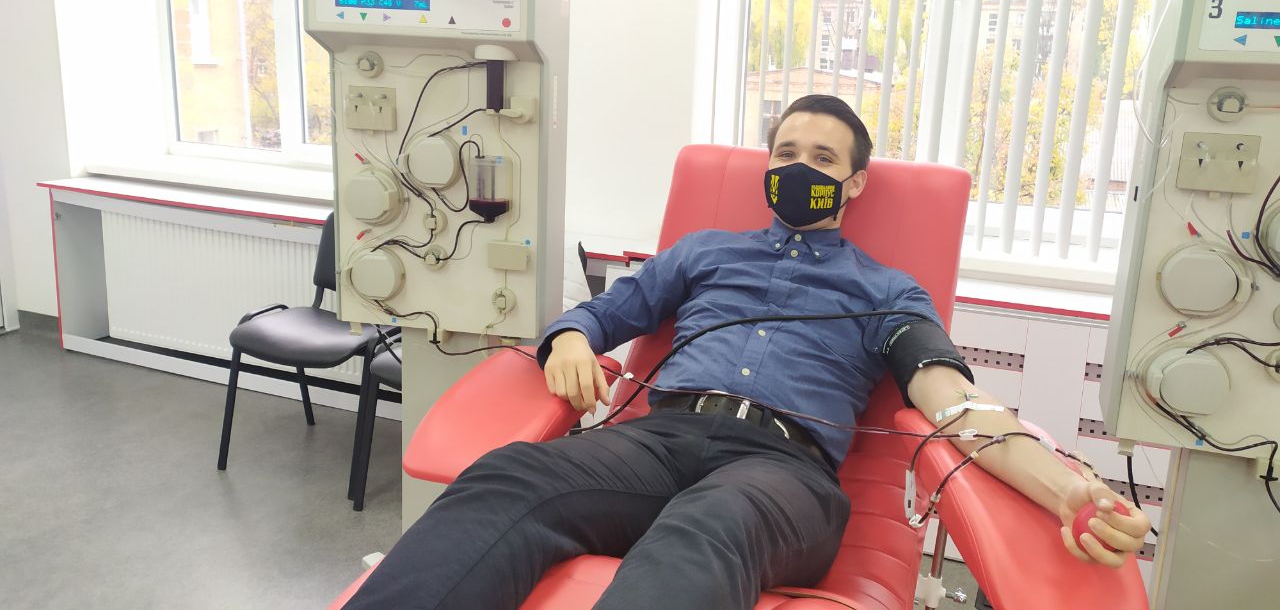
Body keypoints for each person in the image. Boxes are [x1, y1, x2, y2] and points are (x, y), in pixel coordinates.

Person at [343, 94, 1151, 610]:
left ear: (855, 184)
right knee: (510, 476)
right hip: (657, 442)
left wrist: (1064, 487)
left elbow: (955, 402)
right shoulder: (706, 252)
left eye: (823, 160)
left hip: (782, 472)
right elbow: (604, 312)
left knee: (707, 525)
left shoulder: (887, 290)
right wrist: (570, 340)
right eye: (786, 153)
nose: (799, 168)